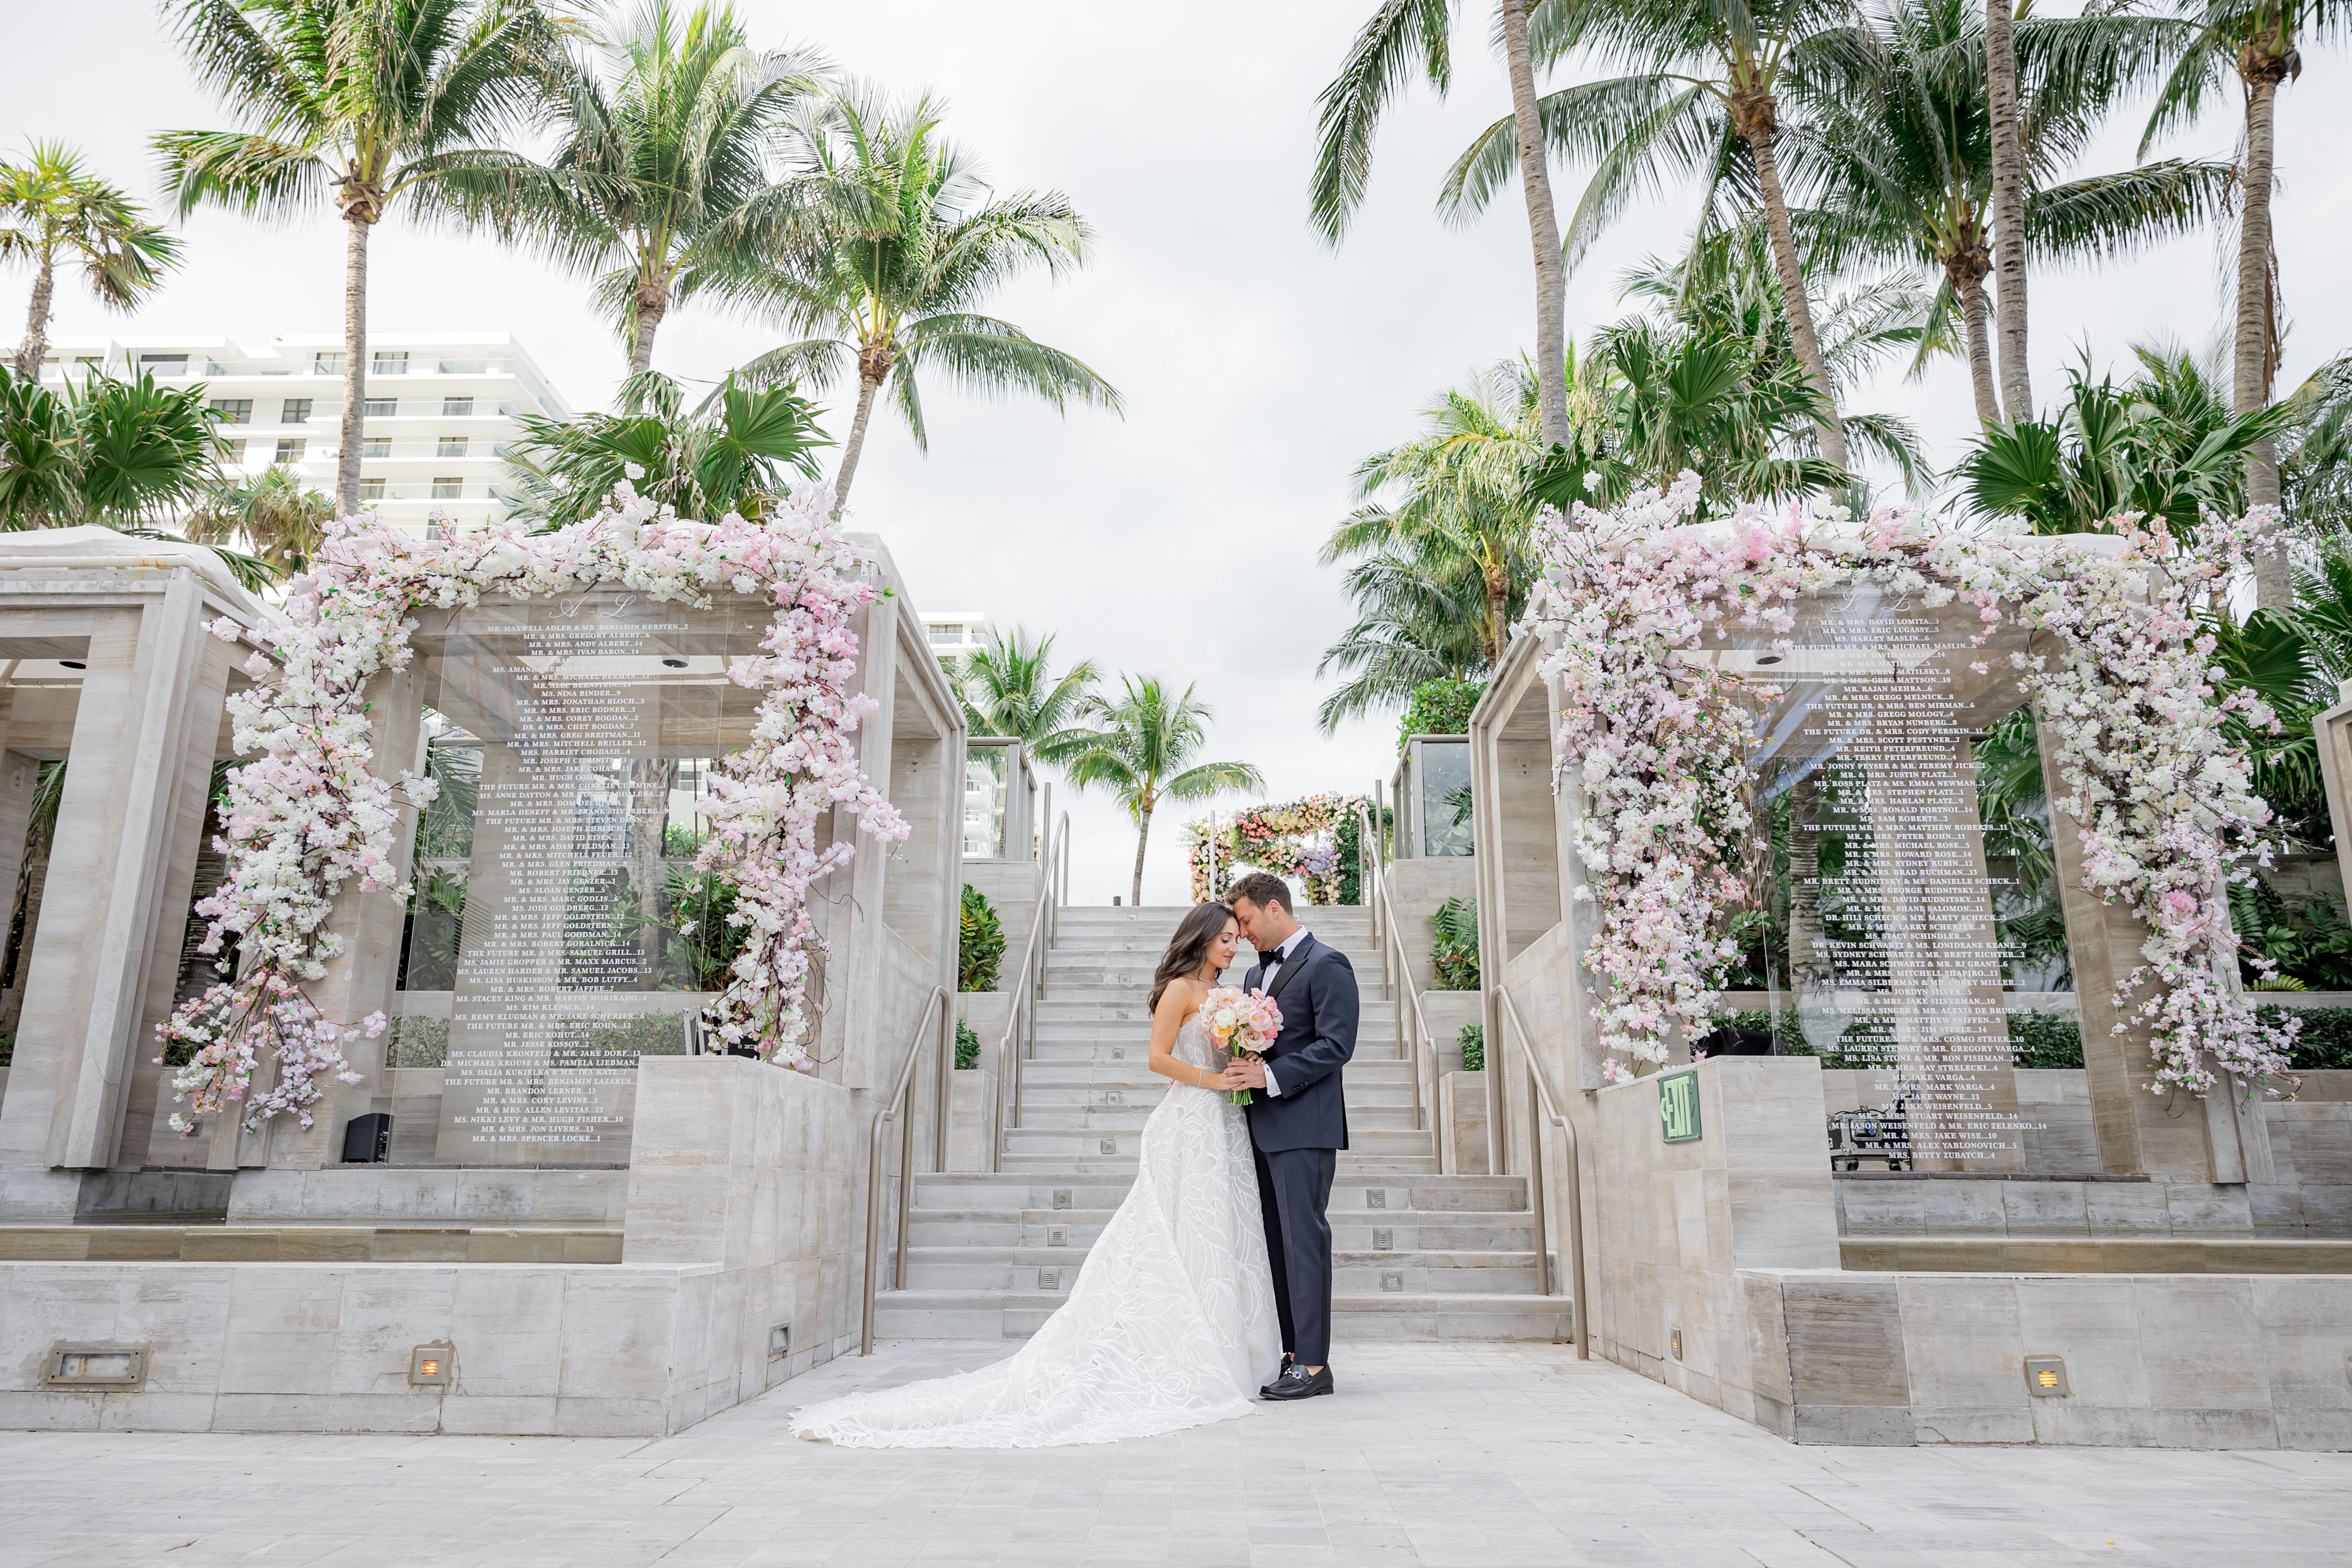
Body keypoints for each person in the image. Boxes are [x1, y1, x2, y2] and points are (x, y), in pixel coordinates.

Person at [790, 902, 1282, 1449]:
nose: (1233, 948)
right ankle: (1187, 1353)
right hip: (1189, 1122)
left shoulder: (1231, 997)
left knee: (1225, 1230)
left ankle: (1236, 1351)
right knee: (1184, 1227)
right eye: (1225, 940)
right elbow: (1157, 1059)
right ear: (1201, 940)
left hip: (1227, 1126)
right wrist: (1210, 1083)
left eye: (1237, 939)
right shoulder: (1181, 991)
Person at [1224, 872, 1357, 1402]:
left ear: (1274, 908)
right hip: (1261, 1126)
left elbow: (1337, 1045)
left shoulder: (1328, 964)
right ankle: (1292, 1351)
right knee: (1276, 1246)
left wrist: (1269, 1077)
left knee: (1305, 1243)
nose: (1244, 932)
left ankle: (1315, 1364)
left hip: (1305, 1124)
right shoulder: (1257, 972)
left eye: (1248, 921)